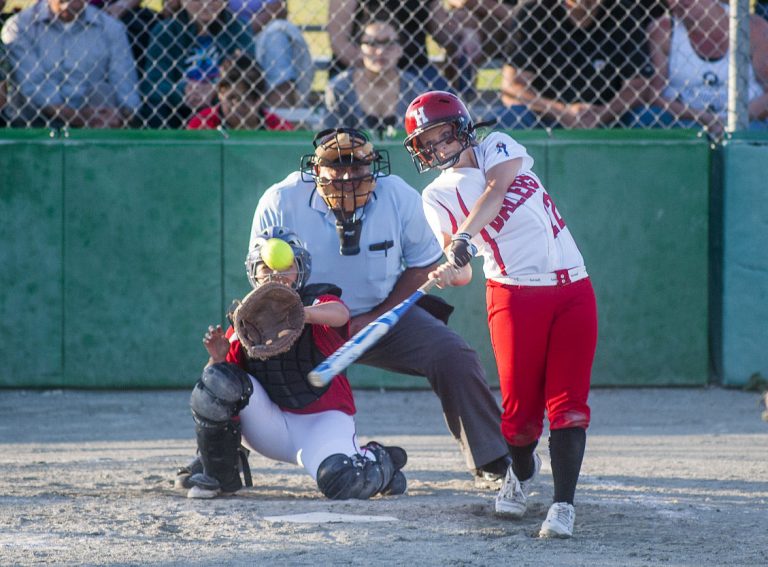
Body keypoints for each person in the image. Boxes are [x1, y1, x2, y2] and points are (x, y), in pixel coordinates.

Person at [251, 127, 513, 486]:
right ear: (316, 172)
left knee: (454, 355)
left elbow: (422, 265)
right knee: (241, 352)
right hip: (307, 318)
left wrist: (377, 317)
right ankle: (217, 458)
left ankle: (492, 460)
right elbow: (259, 267)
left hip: (381, 313)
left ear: (373, 168)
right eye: (336, 168)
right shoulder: (281, 200)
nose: (347, 177)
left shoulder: (397, 196)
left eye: (357, 168)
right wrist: (278, 287)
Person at [403, 91, 598, 538]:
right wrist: (448, 267)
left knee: (568, 408)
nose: (436, 147)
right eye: (425, 142)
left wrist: (464, 238)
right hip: (515, 297)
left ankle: (563, 505)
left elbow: (497, 188)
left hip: (574, 288)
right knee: (519, 419)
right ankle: (522, 472)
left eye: (441, 134)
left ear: (462, 126)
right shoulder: (435, 196)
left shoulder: (498, 146)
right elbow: (463, 275)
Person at [180, 226, 408, 500]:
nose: (275, 272)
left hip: (322, 422)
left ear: (300, 269)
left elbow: (340, 314)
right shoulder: (246, 321)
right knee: (217, 380)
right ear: (253, 272)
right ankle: (218, 471)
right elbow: (211, 391)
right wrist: (217, 358)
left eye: (286, 265)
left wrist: (300, 313)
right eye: (265, 266)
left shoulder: (317, 301)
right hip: (270, 427)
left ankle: (378, 460)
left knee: (342, 482)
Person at [499, 0, 662, 129]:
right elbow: (512, 87)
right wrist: (563, 112)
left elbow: (638, 85)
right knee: (513, 116)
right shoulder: (534, 11)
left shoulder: (623, 12)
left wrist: (603, 113)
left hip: (609, 116)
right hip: (546, 116)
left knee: (649, 117)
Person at [1, 0, 141, 128]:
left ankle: (100, 148)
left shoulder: (111, 28)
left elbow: (125, 83)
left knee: (103, 91)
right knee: (21, 97)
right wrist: (75, 116)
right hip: (35, 114)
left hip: (92, 113)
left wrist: (122, 116)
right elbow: (33, 84)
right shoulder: (18, 26)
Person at [646, 0, 768, 136]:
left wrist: (731, 121)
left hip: (748, 120)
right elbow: (655, 96)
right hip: (686, 121)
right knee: (646, 118)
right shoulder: (662, 30)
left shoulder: (752, 27)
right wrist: (704, 118)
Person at [141, 0, 254, 128]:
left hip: (221, 107)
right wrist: (183, 91)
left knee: (239, 105)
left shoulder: (239, 28)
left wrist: (216, 90)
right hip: (178, 107)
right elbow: (152, 83)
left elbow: (247, 78)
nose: (206, 3)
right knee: (156, 110)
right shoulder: (166, 30)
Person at [327, 0, 475, 95]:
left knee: (450, 104)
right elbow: (339, 42)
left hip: (416, 68)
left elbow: (443, 32)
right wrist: (376, 71)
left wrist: (465, 34)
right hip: (363, 68)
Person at [322, 19, 428, 136]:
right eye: (371, 43)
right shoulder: (339, 89)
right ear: (359, 49)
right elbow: (330, 142)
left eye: (389, 43)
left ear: (400, 49)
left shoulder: (414, 89)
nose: (380, 51)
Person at [226, 0, 313, 106]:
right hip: (226, 34)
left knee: (276, 38)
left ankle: (281, 111)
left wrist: (244, 31)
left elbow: (277, 9)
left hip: (261, 34)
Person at [187, 54, 294, 130]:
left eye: (246, 98)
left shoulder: (277, 127)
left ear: (259, 99)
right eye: (231, 98)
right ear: (220, 94)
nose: (237, 106)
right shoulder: (203, 124)